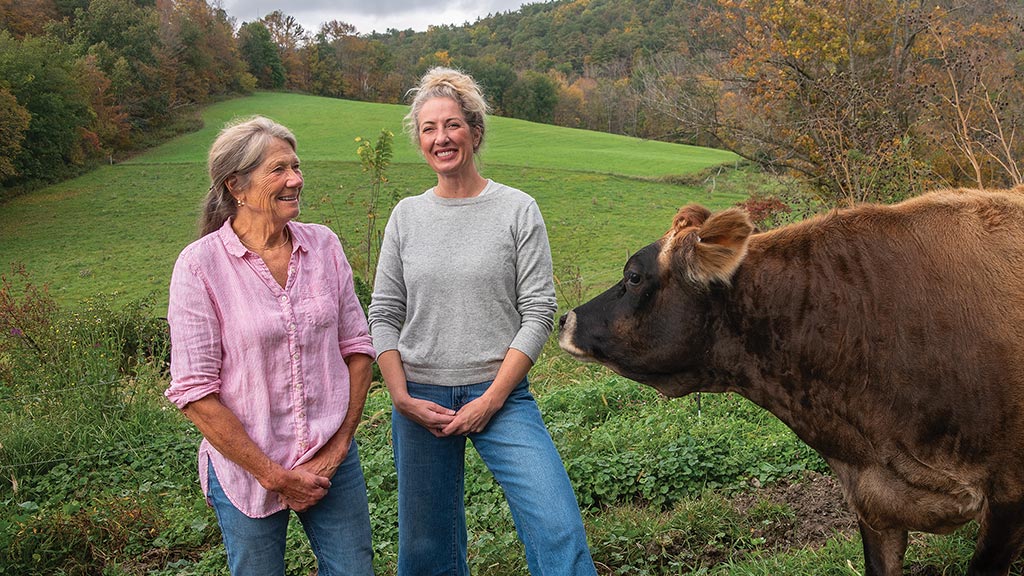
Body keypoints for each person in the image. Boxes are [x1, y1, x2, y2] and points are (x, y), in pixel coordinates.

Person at [368, 67, 597, 575]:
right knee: (427, 552)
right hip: (420, 395)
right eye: (428, 128)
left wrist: (491, 398)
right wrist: (400, 395)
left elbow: (538, 311)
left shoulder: (517, 209)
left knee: (557, 525)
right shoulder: (406, 216)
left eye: (451, 125)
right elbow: (383, 312)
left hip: (502, 395)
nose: (440, 138)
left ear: (474, 131)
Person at [165, 116, 375, 576]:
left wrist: (339, 446)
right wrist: (273, 475)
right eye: (279, 170)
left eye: (296, 167)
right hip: (247, 469)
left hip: (330, 459)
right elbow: (196, 393)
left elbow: (358, 349)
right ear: (236, 186)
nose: (295, 180)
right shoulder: (200, 267)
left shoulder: (323, 246)